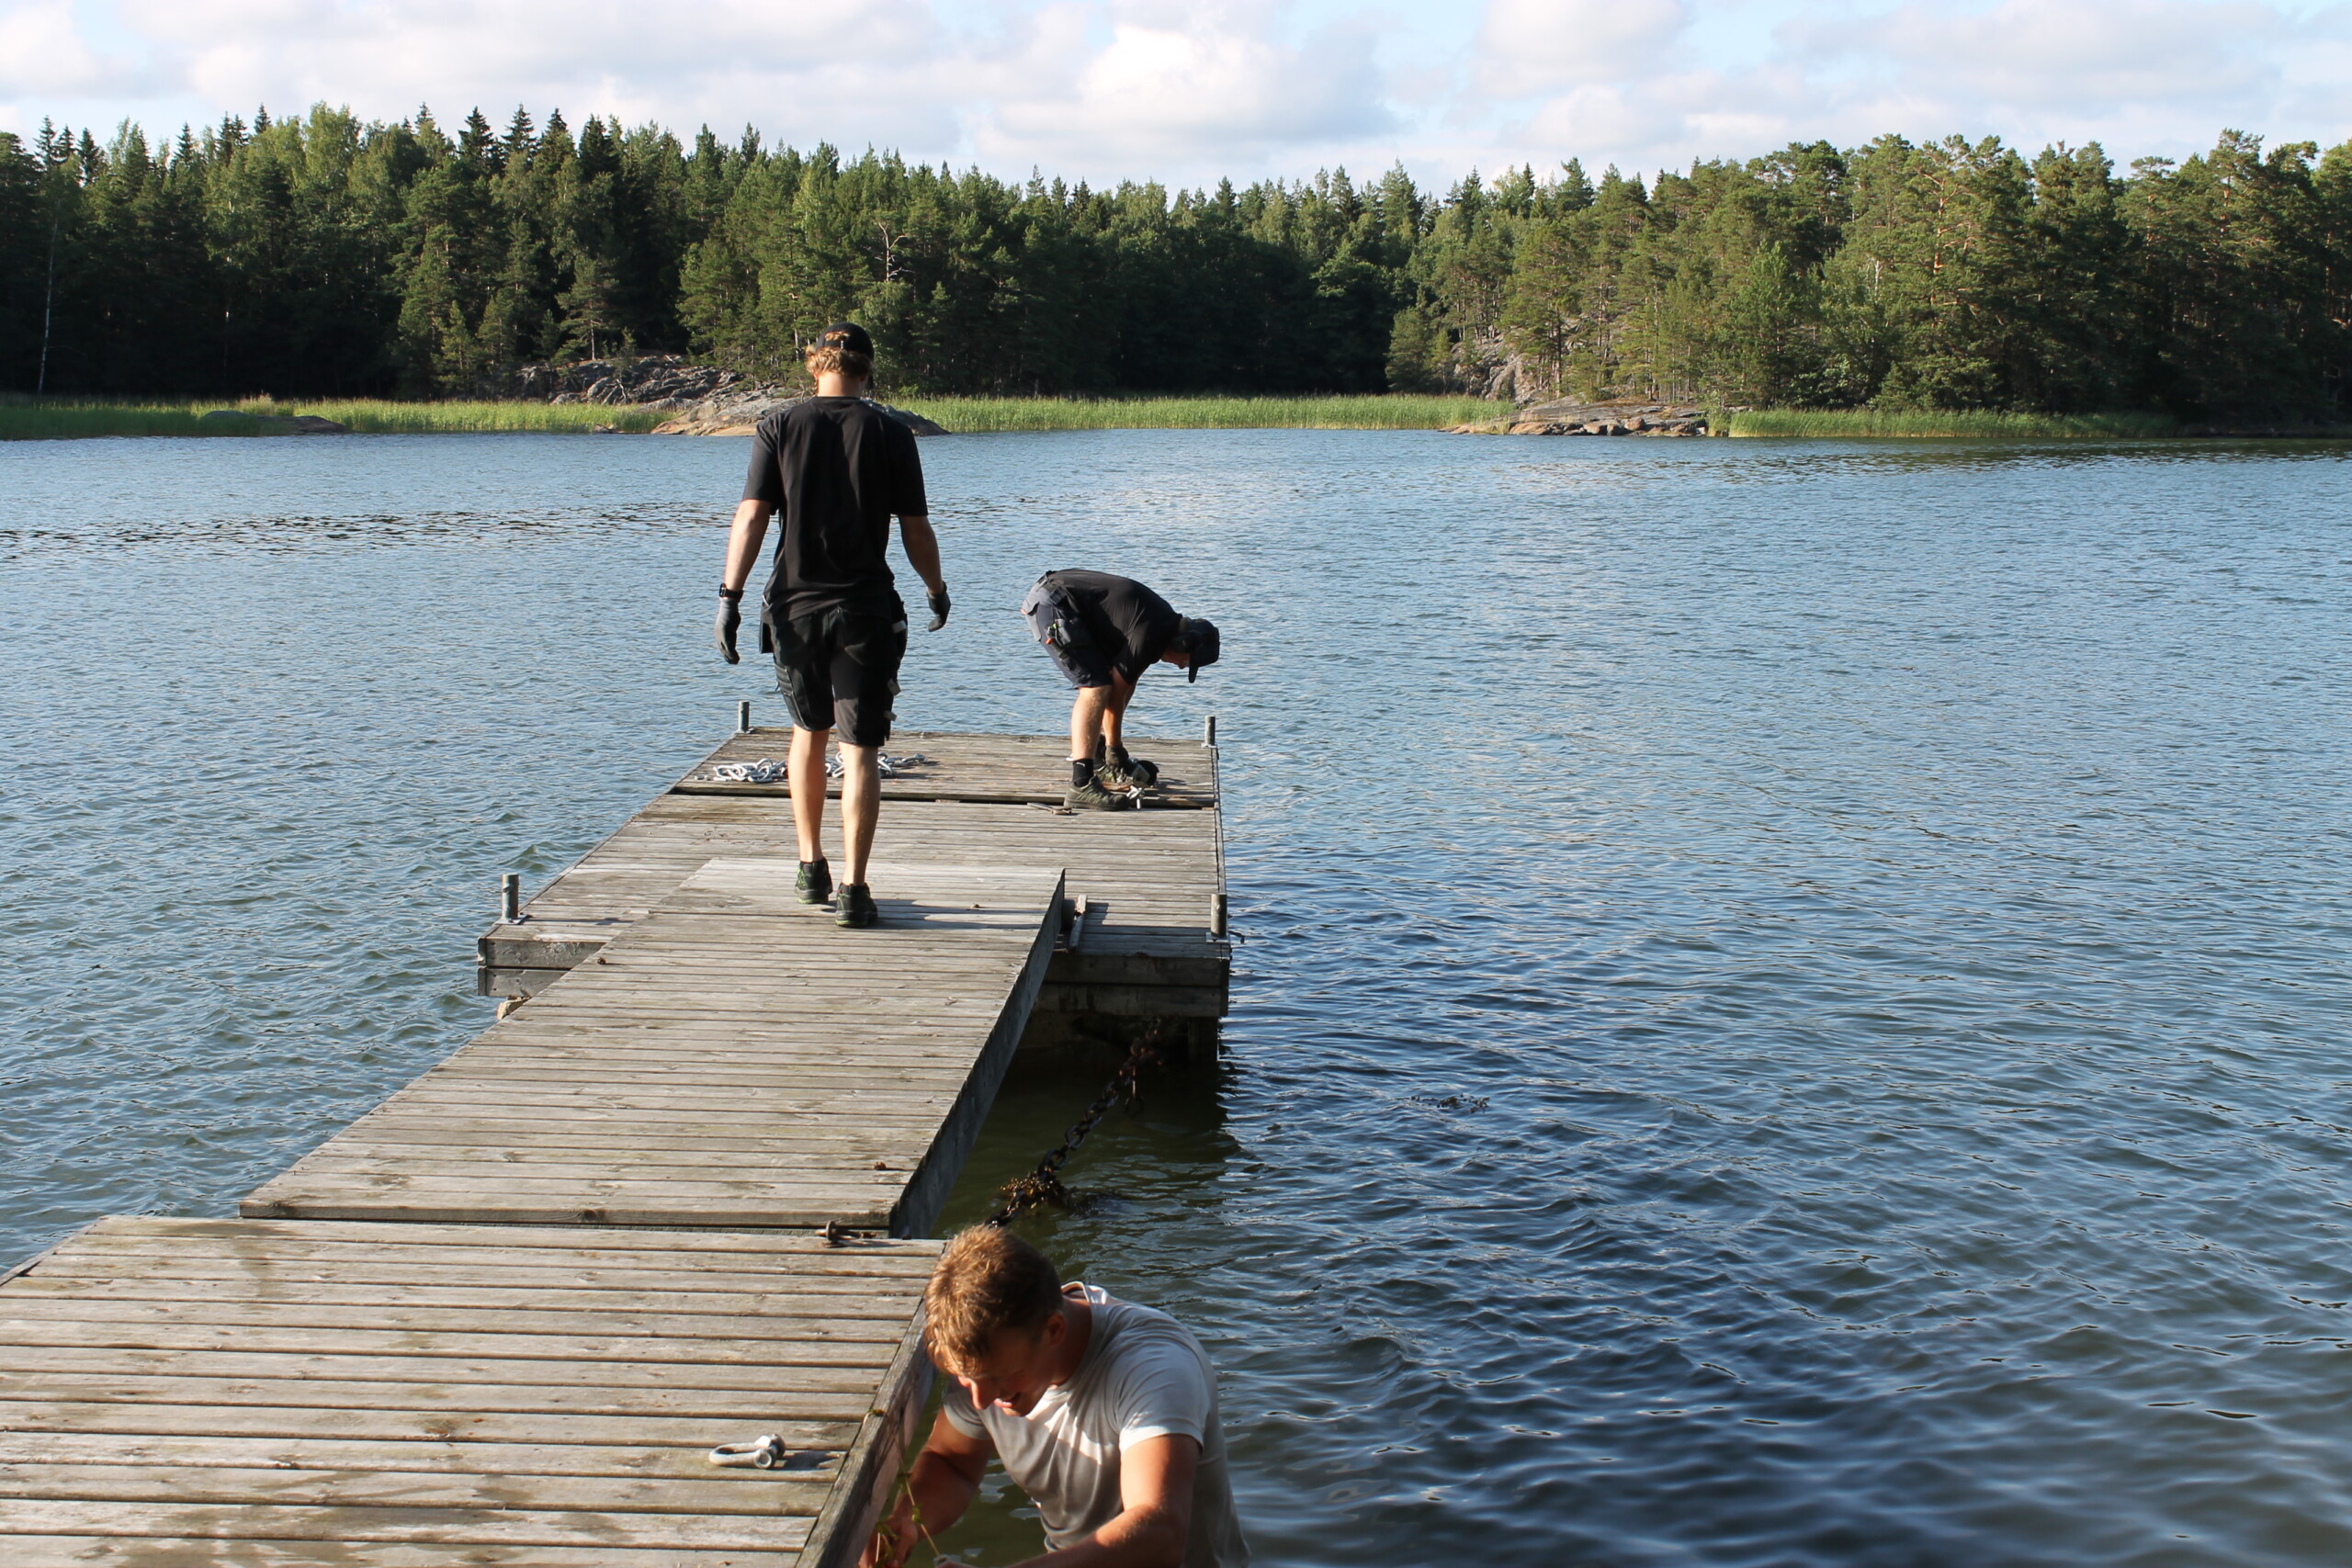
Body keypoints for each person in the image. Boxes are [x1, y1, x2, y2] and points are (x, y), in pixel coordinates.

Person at [717, 322, 949, 928]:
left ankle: (809, 864)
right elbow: (915, 529)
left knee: (807, 735)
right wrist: (936, 588)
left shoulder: (777, 425)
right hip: (865, 610)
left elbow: (751, 516)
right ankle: (854, 888)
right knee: (862, 750)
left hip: (793, 608)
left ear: (814, 367)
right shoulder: (892, 432)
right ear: (868, 370)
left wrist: (729, 596)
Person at [865, 1226, 1249, 1568]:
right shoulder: (987, 1363)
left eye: (999, 1377)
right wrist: (906, 1522)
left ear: (1054, 1329)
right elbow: (953, 1463)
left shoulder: (1155, 1368)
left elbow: (1159, 1532)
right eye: (966, 1379)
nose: (981, 1400)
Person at [1021, 570, 1219, 810]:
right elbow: (1114, 694)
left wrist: (1112, 750)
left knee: (1103, 682)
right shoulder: (1151, 633)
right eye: (1186, 661)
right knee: (1095, 687)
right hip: (1055, 604)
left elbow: (1126, 684)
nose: (1180, 666)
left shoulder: (1159, 628)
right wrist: (1116, 748)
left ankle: (1097, 761)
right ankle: (1081, 785)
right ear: (1183, 643)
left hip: (1064, 603)